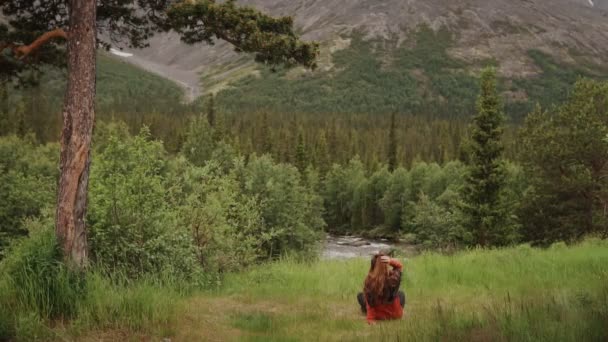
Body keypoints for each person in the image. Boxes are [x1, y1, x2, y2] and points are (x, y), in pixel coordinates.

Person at [357, 253, 405, 324]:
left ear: (373, 266)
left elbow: (370, 303)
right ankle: (394, 309)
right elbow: (399, 267)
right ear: (386, 265)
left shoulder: (369, 281)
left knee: (360, 295)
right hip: (395, 315)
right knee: (401, 294)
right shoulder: (393, 279)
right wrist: (391, 261)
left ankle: (364, 310)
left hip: (378, 315)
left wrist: (370, 319)